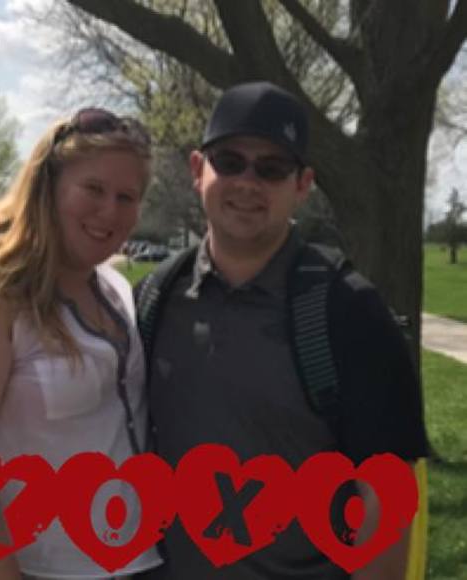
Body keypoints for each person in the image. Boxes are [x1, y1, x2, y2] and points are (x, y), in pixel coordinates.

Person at [134, 82, 428, 579]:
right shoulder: (153, 300)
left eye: (271, 168)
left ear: (303, 184)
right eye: (230, 162)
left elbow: (386, 502)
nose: (248, 183)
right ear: (197, 169)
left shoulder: (349, 310)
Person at [0, 108, 163, 580]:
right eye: (93, 189)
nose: (110, 210)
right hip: (28, 566)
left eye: (126, 197)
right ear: (48, 185)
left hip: (131, 560)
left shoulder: (113, 289)